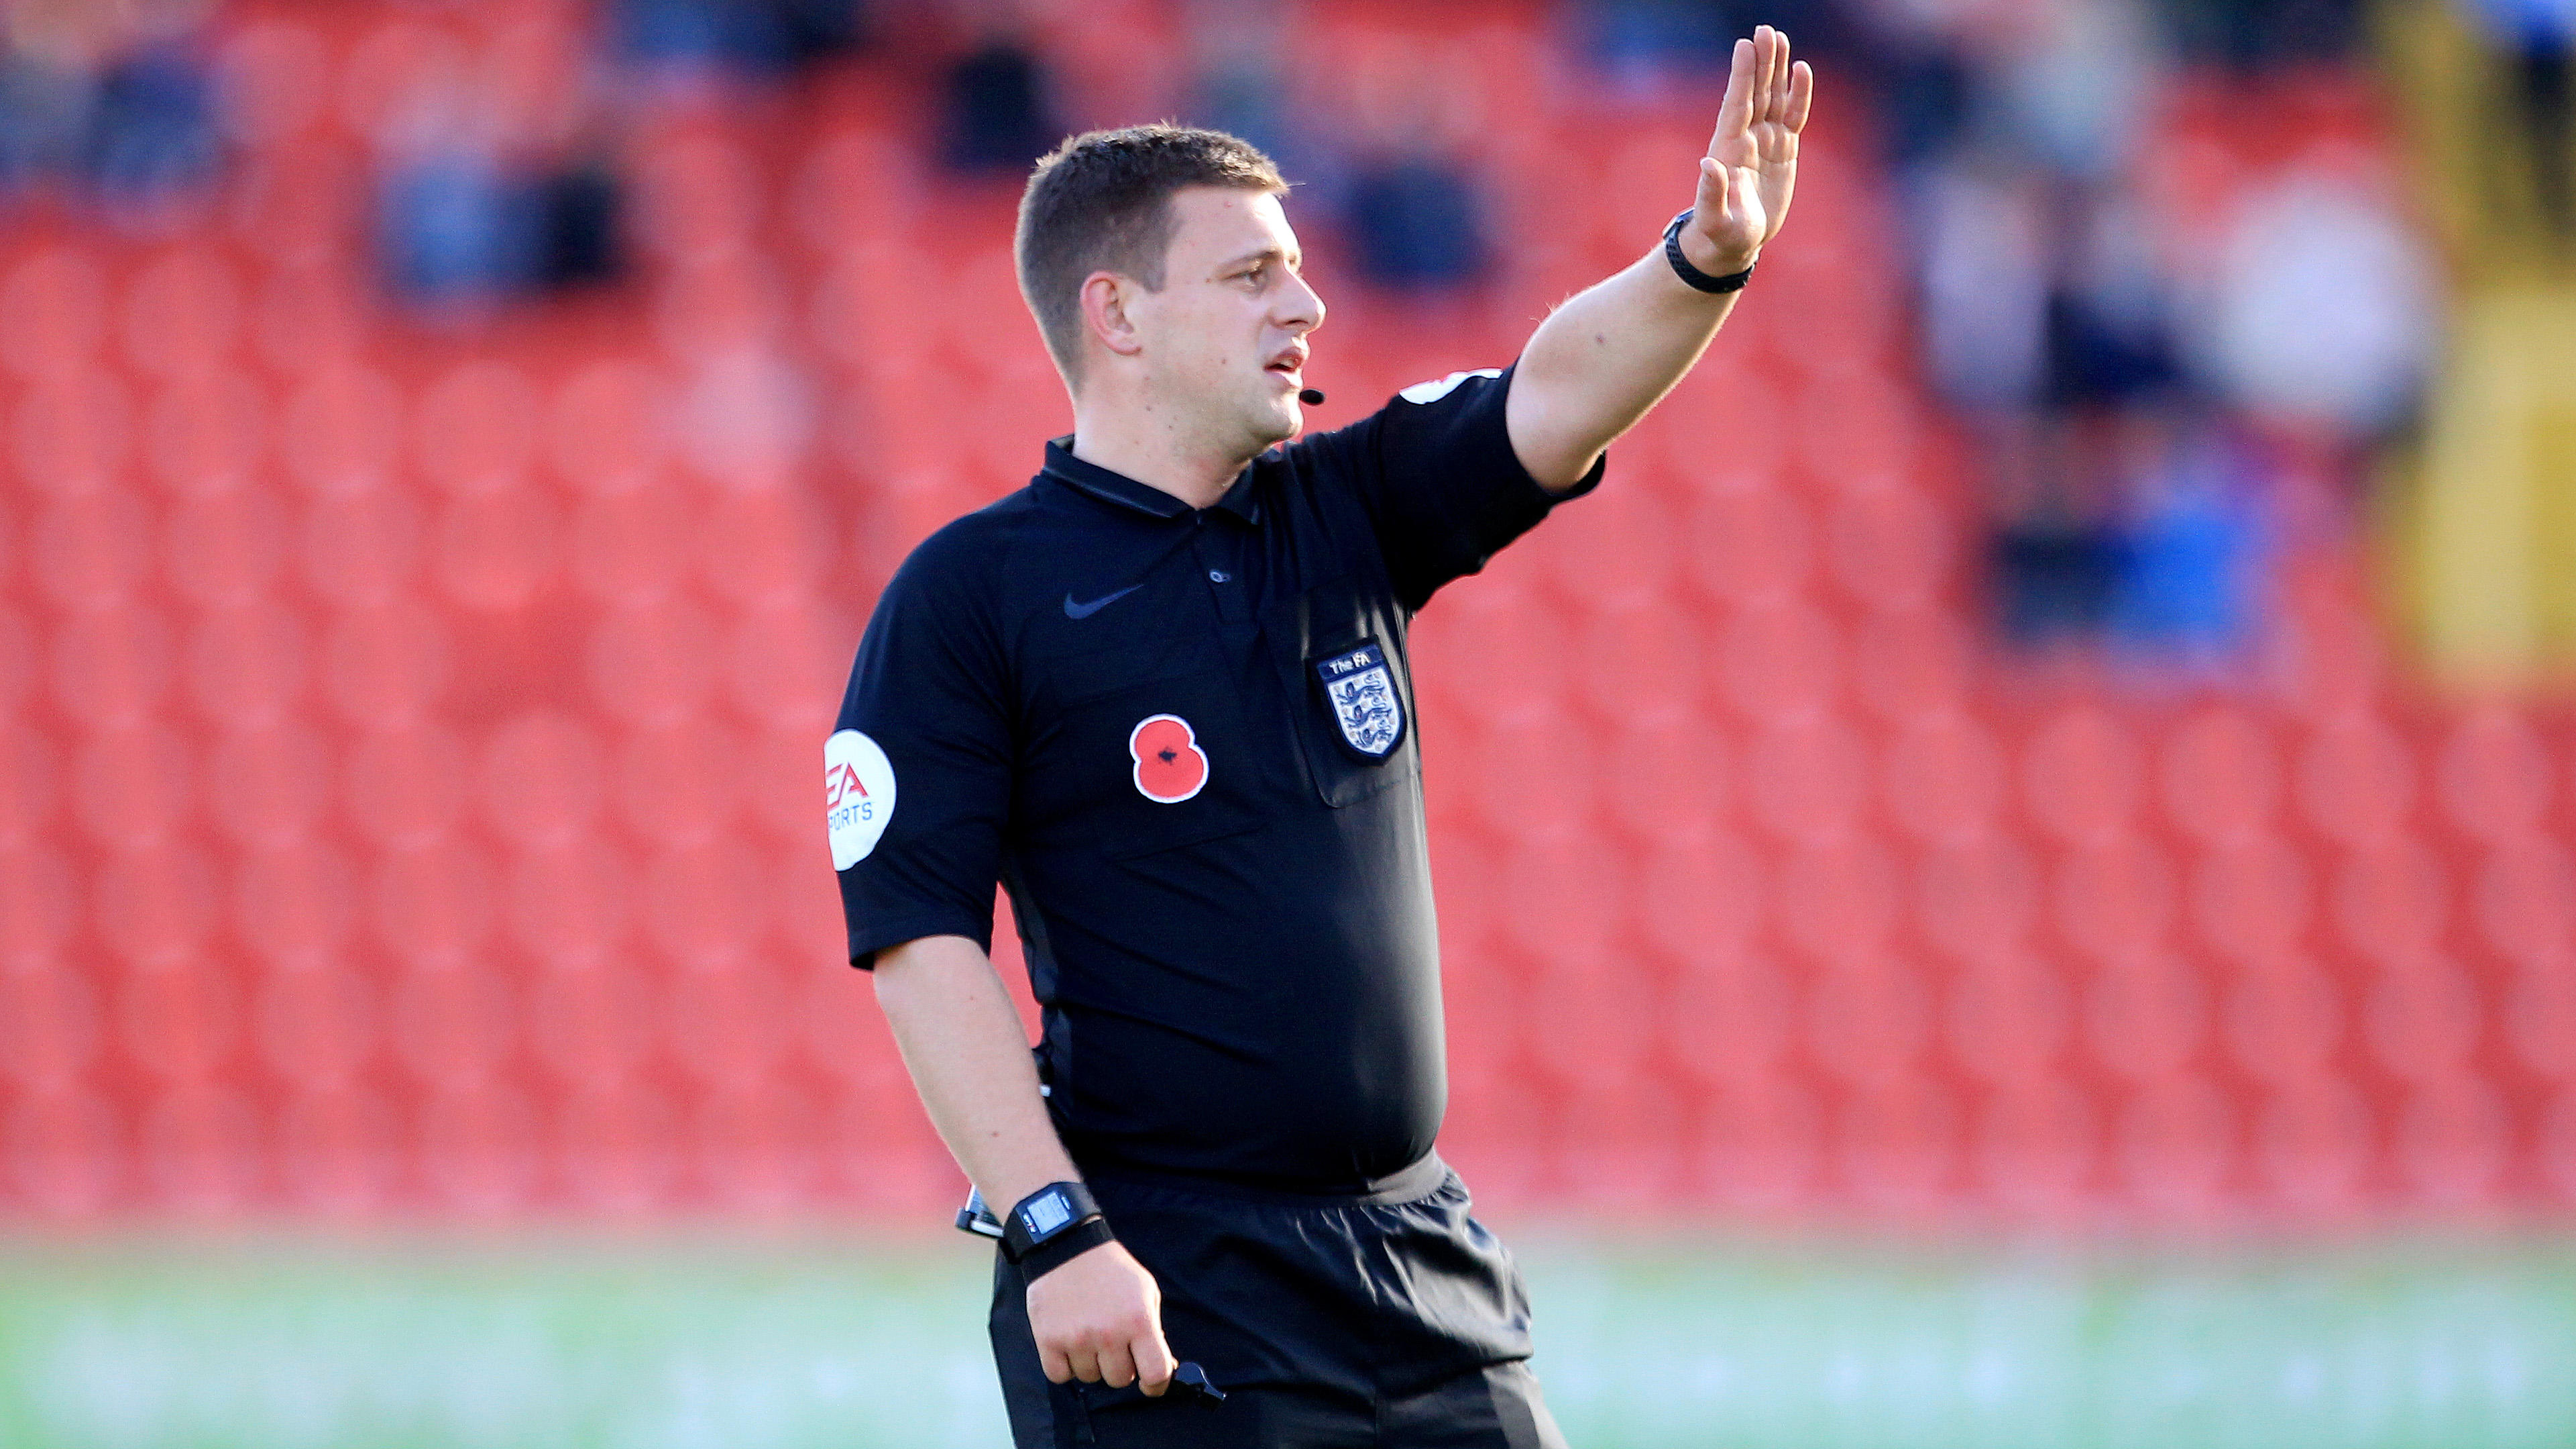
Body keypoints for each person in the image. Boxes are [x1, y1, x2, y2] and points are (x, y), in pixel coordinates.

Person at [829, 26, 1813, 1448]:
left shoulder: (1342, 512)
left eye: (1293, 266)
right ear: (1117, 314)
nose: (1308, 304)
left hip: (1420, 1261)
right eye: (1250, 276)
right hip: (1168, 1275)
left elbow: (1552, 390)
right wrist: (1055, 1231)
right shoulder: (973, 596)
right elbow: (919, 940)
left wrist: (1702, 260)